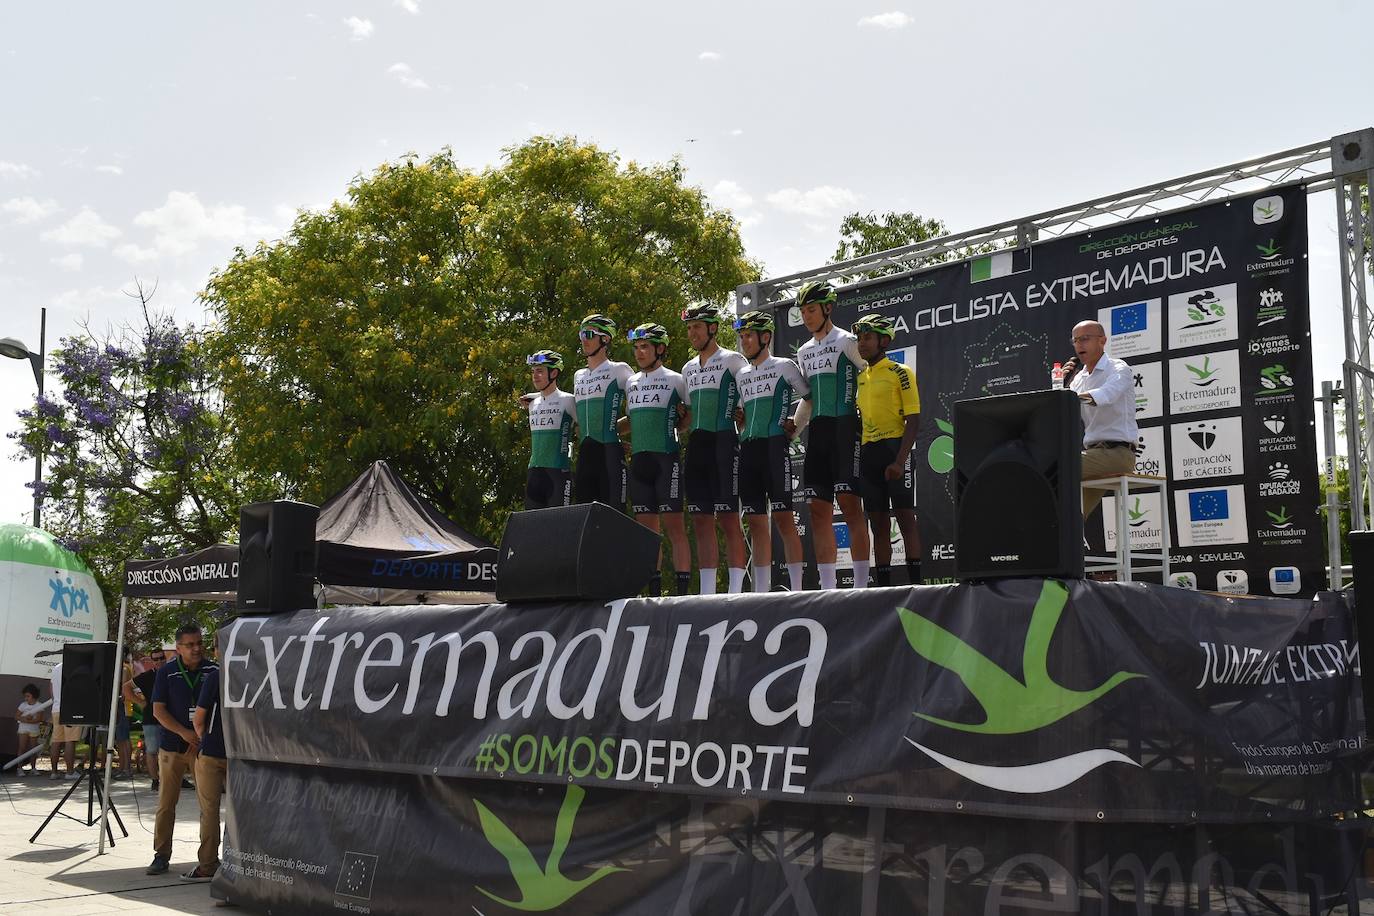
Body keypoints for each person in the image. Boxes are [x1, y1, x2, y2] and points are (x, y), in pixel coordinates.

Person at [792, 281, 871, 590]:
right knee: (816, 508)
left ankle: (861, 586)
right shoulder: (803, 351)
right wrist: (794, 429)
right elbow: (808, 398)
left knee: (850, 504)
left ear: (827, 308)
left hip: (846, 425)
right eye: (803, 312)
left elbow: (871, 376)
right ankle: (828, 587)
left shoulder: (847, 341)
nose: (807, 317)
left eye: (811, 310)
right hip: (819, 431)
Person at [733, 310, 810, 592]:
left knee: (783, 518)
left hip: (775, 448)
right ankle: (761, 593)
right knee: (755, 521)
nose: (744, 342)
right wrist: (741, 426)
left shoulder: (784, 366)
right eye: (741, 337)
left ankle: (798, 590)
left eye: (749, 336)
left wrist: (794, 428)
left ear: (765, 337)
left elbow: (809, 399)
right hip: (749, 449)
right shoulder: (741, 373)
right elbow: (743, 413)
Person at [681, 303, 749, 594]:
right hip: (697, 445)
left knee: (729, 519)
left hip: (724, 442)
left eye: (697, 327)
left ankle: (735, 592)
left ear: (712, 328)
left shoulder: (733, 360)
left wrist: (743, 414)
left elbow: (753, 396)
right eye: (689, 328)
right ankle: (707, 593)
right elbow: (686, 416)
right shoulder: (687, 368)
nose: (692, 333)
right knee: (700, 520)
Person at [853, 314, 924, 586]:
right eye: (859, 339)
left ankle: (916, 584)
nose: (862, 344)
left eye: (868, 338)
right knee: (878, 525)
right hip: (870, 454)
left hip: (895, 450)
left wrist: (900, 460)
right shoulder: (861, 378)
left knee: (906, 520)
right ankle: (883, 588)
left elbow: (914, 419)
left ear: (883, 340)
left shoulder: (900, 372)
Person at [623, 322, 692, 596]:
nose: (639, 353)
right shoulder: (630, 382)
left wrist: (680, 426)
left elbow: (689, 416)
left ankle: (683, 590)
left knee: (675, 526)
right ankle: (653, 589)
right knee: (647, 533)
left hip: (666, 460)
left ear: (659, 349)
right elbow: (632, 420)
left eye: (645, 347)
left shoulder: (676, 379)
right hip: (639, 462)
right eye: (637, 348)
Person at [147, 623, 219, 876]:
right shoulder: (166, 672)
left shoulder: (214, 671)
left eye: (199, 642)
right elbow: (158, 710)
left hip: (203, 750)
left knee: (208, 807)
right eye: (190, 645)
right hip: (172, 747)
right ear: (177, 648)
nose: (196, 648)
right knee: (166, 803)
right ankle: (161, 854)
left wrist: (200, 734)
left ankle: (209, 860)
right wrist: (184, 731)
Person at [1062, 319, 1138, 520]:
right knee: (1069, 518)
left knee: (1060, 465)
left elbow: (1106, 396)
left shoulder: (1118, 368)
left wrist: (1069, 396)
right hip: (1092, 455)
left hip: (1118, 455)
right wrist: (1063, 386)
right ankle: (1067, 546)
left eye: (1085, 339)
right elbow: (1061, 411)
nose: (1079, 345)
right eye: (1075, 340)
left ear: (1102, 341)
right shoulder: (1078, 379)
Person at [572, 314, 634, 510]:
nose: (584, 339)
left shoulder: (620, 370)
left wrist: (614, 433)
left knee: (613, 521)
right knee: (585, 521)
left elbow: (638, 412)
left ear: (605, 339)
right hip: (585, 457)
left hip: (609, 456)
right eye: (581, 334)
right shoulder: (578, 375)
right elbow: (580, 424)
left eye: (589, 334)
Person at [519, 349, 577, 509]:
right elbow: (543, 397)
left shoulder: (568, 401)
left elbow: (586, 429)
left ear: (554, 373)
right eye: (533, 372)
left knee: (559, 529)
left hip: (558, 473)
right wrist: (534, 396)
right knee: (533, 529)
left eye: (540, 371)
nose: (535, 376)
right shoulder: (532, 403)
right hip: (534, 473)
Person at [183, 665, 226, 882]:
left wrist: (204, 738)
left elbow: (198, 718)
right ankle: (239, 860)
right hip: (243, 750)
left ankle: (208, 864)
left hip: (213, 750)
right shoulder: (255, 669)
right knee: (240, 811)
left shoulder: (217, 675)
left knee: (209, 810)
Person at [128, 648, 167, 791]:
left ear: (165, 657)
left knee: (172, 751)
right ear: (152, 661)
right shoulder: (147, 676)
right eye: (155, 659)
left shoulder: (173, 673)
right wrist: (140, 702)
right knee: (152, 750)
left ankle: (175, 779)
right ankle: (155, 780)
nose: (159, 661)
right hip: (151, 719)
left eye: (161, 658)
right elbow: (126, 688)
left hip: (170, 718)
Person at [48, 660, 80, 780]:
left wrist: (56, 701)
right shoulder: (76, 668)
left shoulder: (56, 667)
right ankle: (70, 772)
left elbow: (51, 688)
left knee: (56, 741)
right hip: (71, 708)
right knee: (70, 740)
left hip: (56, 708)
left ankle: (54, 772)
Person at [15, 683, 43, 776]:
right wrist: (25, 719)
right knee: (22, 748)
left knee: (33, 749)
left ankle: (33, 768)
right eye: (25, 696)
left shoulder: (39, 705)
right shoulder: (23, 705)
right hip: (23, 729)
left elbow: (39, 719)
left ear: (34, 695)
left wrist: (30, 720)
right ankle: (19, 768)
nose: (26, 698)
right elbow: (16, 716)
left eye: (28, 696)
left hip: (34, 730)